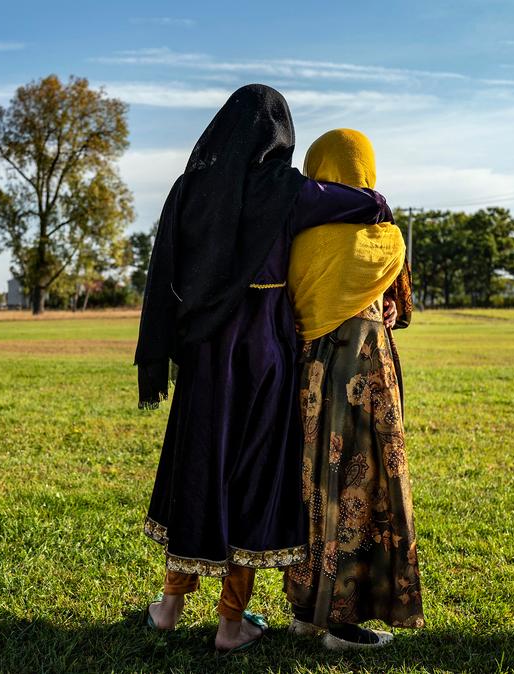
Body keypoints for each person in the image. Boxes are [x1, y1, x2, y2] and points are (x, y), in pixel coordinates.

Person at [135, 86, 393, 655]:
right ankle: (231, 623)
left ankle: (169, 607)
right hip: (265, 354)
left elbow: (164, 272)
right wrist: (378, 206)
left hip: (205, 352)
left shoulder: (187, 190)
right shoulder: (285, 189)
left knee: (199, 468)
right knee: (251, 477)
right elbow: (359, 202)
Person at [283, 129, 424, 650]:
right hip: (367, 377)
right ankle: (341, 624)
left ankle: (307, 608)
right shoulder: (386, 236)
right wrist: (388, 309)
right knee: (362, 492)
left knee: (313, 489)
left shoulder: (297, 236)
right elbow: (399, 305)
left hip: (310, 376)